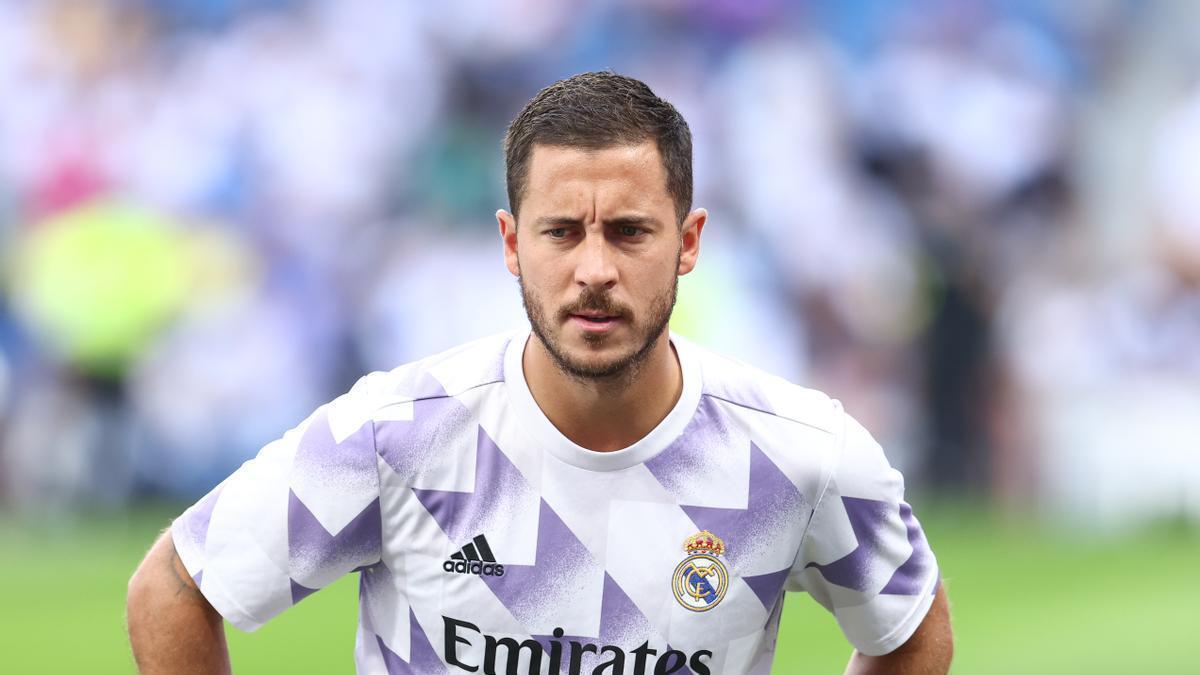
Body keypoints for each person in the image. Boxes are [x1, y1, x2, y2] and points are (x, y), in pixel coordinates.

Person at [127, 72, 953, 675]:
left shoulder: (802, 451)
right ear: (512, 243)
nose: (594, 268)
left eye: (629, 231)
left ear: (690, 241)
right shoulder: (398, 434)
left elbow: (912, 627)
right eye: (562, 232)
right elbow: (173, 586)